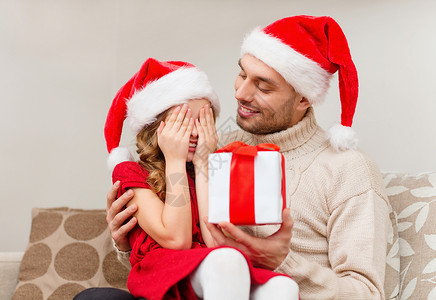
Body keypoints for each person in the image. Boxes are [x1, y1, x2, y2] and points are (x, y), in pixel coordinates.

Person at [82, 15, 390, 299]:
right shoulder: (209, 147)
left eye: (263, 86)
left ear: (304, 98)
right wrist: (129, 238)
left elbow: (366, 294)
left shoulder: (348, 169)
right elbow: (177, 254)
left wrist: (283, 261)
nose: (240, 93)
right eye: (241, 74)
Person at [75, 58, 299, 300]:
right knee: (228, 260)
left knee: (283, 287)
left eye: (203, 121)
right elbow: (177, 239)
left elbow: (215, 243)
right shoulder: (131, 172)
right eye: (183, 122)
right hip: (165, 275)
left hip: (210, 272)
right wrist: (174, 161)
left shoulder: (213, 170)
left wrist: (204, 163)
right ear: (156, 127)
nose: (194, 132)